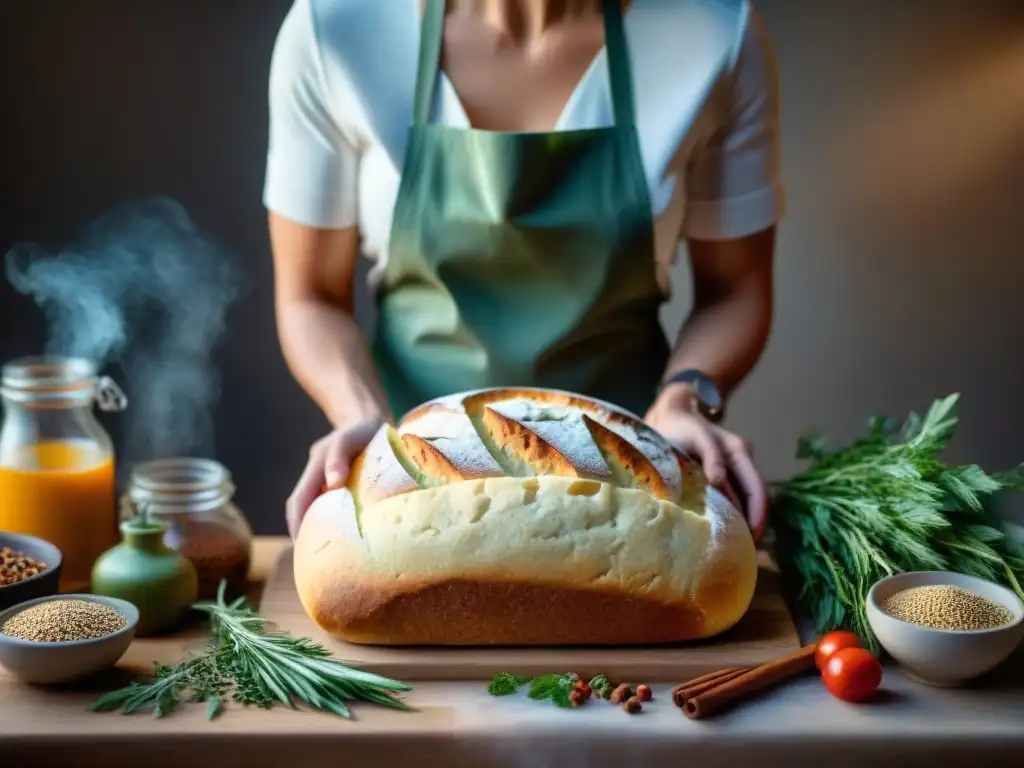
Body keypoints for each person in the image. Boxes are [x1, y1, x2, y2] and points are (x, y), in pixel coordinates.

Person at [267, 0, 783, 543]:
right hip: (410, 482)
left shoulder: (716, 36)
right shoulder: (336, 30)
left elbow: (735, 290)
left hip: (629, 485)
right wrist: (358, 415)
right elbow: (311, 296)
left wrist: (683, 399)